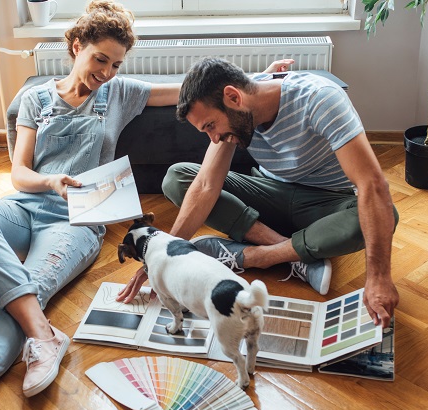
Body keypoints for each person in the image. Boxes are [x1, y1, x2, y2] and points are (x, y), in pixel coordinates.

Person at [0, 2, 180, 410]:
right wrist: (51, 181)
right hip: (26, 208)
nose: (107, 71)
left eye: (115, 63)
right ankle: (44, 336)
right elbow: (18, 173)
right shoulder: (35, 99)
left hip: (77, 224)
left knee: (26, 291)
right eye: (100, 59)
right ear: (77, 46)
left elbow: (185, 89)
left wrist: (261, 79)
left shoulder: (120, 93)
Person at [118, 57, 399, 330]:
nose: (213, 139)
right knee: (177, 177)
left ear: (233, 97)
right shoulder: (236, 115)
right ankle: (295, 253)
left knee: (377, 218)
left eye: (211, 126)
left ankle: (254, 255)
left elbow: (372, 185)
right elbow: (205, 185)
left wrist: (379, 277)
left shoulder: (320, 99)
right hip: (270, 195)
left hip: (326, 202)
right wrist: (163, 259)